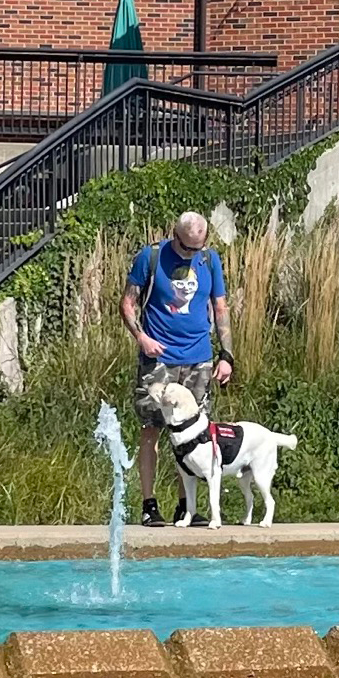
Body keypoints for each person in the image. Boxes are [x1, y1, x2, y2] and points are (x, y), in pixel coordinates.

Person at [120, 210, 234, 527]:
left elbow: (220, 307)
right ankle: (149, 504)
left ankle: (187, 506)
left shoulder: (210, 260)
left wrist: (227, 354)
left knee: (194, 435)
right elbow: (128, 303)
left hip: (199, 357)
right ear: (175, 235)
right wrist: (141, 337)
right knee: (151, 430)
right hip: (159, 359)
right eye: (187, 248)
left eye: (198, 248)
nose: (192, 254)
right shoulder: (151, 257)